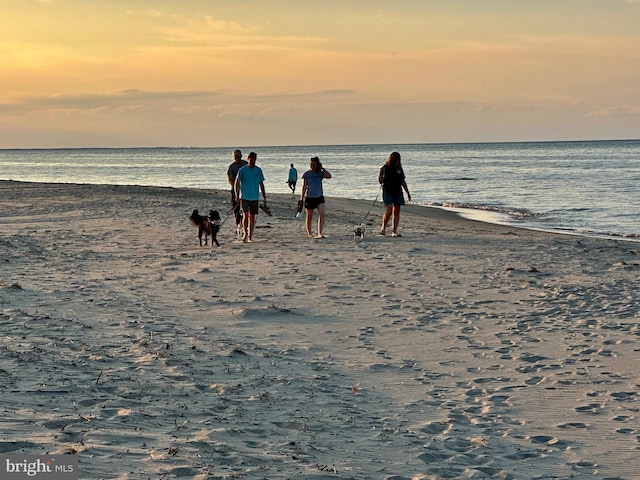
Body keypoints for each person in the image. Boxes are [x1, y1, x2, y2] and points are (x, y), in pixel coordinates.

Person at [234, 152, 267, 243]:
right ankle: (245, 234)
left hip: (254, 197)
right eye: (251, 160)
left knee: (252, 217)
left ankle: (250, 236)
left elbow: (261, 184)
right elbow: (237, 182)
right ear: (248, 159)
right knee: (245, 215)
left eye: (254, 161)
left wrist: (264, 196)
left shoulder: (258, 170)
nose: (252, 162)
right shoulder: (242, 170)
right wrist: (237, 195)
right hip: (244, 196)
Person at [379, 151, 411, 237]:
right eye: (397, 159)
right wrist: (380, 174)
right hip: (387, 191)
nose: (398, 161)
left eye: (399, 159)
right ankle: (383, 228)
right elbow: (381, 182)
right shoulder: (385, 168)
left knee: (396, 211)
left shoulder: (399, 169)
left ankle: (394, 231)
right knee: (389, 210)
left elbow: (402, 181)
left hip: (397, 191)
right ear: (393, 159)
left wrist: (407, 192)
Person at [300, 156, 332, 238]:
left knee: (322, 213)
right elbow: (304, 186)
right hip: (309, 197)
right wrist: (301, 198)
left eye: (314, 164)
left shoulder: (320, 173)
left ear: (317, 165)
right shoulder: (306, 174)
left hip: (319, 197)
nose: (312, 166)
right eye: (311, 164)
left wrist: (322, 168)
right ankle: (309, 233)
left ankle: (320, 233)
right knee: (309, 216)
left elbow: (329, 176)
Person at [227, 149, 247, 236]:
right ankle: (238, 226)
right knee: (236, 210)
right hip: (235, 191)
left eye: (238, 157)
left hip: (246, 190)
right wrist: (235, 188)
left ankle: (244, 227)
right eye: (235, 157)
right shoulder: (232, 167)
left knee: (245, 211)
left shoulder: (246, 164)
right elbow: (230, 178)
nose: (237, 159)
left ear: (241, 156)